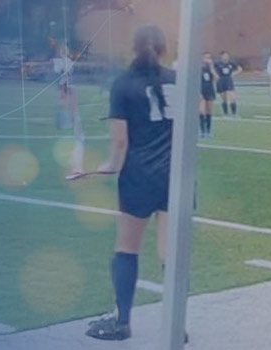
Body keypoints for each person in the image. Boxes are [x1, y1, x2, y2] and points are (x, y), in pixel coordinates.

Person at [77, 24, 182, 342]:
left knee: (126, 248)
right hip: (174, 176)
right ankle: (178, 322)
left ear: (133, 48)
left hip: (139, 176)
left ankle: (122, 321)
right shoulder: (176, 80)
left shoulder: (122, 84)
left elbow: (119, 144)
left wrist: (104, 168)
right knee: (170, 254)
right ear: (163, 48)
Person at [199, 52, 218, 138]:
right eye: (206, 58)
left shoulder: (211, 69)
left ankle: (208, 130)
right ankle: (202, 131)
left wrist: (212, 68)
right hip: (201, 91)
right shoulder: (199, 69)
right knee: (202, 111)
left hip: (209, 90)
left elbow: (217, 78)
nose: (207, 60)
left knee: (209, 111)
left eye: (209, 58)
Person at [217, 51, 240, 117]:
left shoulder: (231, 63)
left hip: (229, 80)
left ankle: (234, 113)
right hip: (221, 81)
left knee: (233, 97)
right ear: (221, 56)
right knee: (224, 98)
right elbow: (213, 70)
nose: (226, 57)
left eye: (227, 55)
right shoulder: (218, 64)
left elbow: (239, 69)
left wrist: (233, 74)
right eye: (224, 55)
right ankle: (225, 113)